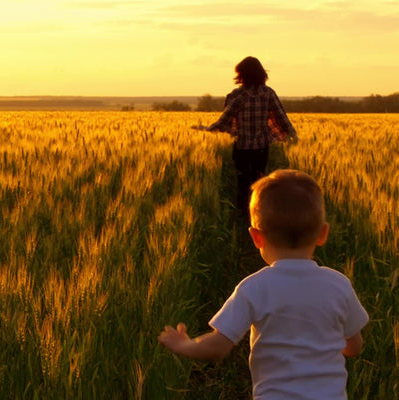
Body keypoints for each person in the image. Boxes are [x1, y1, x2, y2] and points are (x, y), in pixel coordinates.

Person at [158, 169, 369, 400]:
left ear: (256, 237)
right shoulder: (339, 284)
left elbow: (219, 346)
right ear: (323, 233)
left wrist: (184, 346)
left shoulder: (253, 288)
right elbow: (354, 346)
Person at [194, 56, 297, 215]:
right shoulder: (268, 93)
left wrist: (205, 129)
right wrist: (293, 135)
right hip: (262, 147)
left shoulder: (238, 96)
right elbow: (282, 117)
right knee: (260, 180)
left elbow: (224, 121)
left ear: (242, 75)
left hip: (242, 147)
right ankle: (259, 211)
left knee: (242, 181)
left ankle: (243, 213)